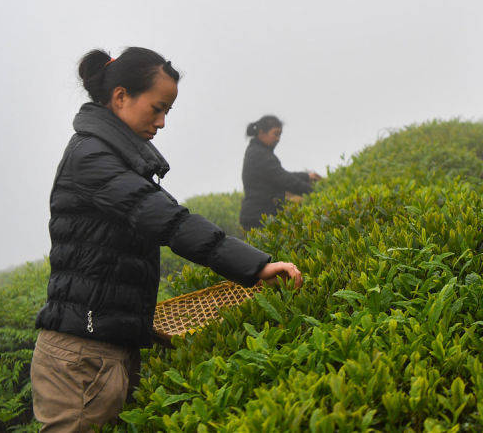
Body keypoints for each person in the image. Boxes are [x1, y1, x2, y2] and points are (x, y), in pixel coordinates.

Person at [31, 47, 303, 432]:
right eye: (156, 108)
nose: (161, 122)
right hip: (82, 356)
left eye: (167, 112)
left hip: (107, 347)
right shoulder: (92, 158)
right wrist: (255, 265)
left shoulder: (120, 157)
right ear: (121, 97)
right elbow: (167, 220)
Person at [240, 115, 322, 230]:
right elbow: (283, 179)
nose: (278, 138)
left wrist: (307, 176)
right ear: (261, 132)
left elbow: (279, 175)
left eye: (280, 135)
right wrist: (314, 192)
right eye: (275, 134)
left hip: (259, 215)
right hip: (259, 217)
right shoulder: (259, 154)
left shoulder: (259, 151)